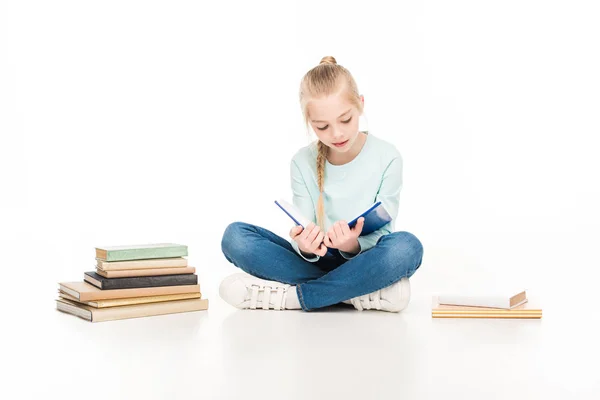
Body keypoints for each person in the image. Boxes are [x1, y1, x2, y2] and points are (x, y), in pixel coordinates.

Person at [219, 56, 423, 312]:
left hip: (365, 260)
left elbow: (384, 233)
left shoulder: (388, 156)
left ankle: (296, 297)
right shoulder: (301, 162)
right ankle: (357, 292)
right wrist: (304, 246)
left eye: (345, 120)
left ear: (360, 105)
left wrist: (350, 245)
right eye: (322, 126)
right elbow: (303, 229)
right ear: (309, 122)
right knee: (235, 237)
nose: (336, 134)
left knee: (407, 247)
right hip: (315, 262)